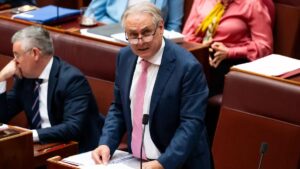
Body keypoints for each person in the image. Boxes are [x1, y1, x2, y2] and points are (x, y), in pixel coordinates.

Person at [92, 2, 211, 169]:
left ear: (161, 27)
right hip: (136, 161)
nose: (140, 42)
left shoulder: (187, 67)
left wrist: (163, 163)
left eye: (146, 33)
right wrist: (106, 144)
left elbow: (191, 124)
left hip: (179, 164)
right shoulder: (125, 57)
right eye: (133, 35)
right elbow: (118, 108)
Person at [0, 26, 104, 152]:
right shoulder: (25, 78)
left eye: (17, 56)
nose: (14, 62)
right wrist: (1, 79)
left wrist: (30, 135)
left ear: (35, 53)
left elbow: (72, 128)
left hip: (76, 149)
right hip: (41, 148)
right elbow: (2, 116)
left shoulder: (71, 79)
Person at [182, 0, 274, 95]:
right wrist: (202, 50)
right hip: (202, 55)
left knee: (194, 82)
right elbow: (187, 36)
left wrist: (230, 52)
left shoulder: (252, 4)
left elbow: (265, 47)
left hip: (233, 61)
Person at [83, 0, 183, 32]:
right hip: (112, 35)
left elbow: (174, 25)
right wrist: (122, 30)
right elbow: (93, 14)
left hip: (151, 40)